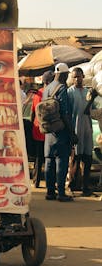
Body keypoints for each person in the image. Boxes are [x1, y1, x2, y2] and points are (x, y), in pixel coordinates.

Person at [43, 63, 77, 202]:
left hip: (48, 131)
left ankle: (50, 192)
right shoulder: (62, 88)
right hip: (60, 131)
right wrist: (72, 133)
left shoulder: (47, 88)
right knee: (61, 161)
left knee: (49, 161)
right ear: (63, 74)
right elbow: (64, 113)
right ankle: (61, 193)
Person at [67, 67, 94, 196]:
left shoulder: (88, 92)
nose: (77, 79)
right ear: (72, 79)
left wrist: (92, 100)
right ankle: (72, 185)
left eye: (79, 76)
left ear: (83, 76)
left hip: (87, 129)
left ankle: (86, 186)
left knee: (87, 158)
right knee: (75, 159)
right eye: (75, 77)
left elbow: (90, 111)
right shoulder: (69, 92)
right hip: (75, 129)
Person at [30, 70, 54, 188]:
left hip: (37, 129)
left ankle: (36, 181)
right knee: (49, 157)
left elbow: (32, 113)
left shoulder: (37, 94)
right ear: (49, 81)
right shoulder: (51, 93)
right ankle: (51, 183)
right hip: (48, 130)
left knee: (39, 158)